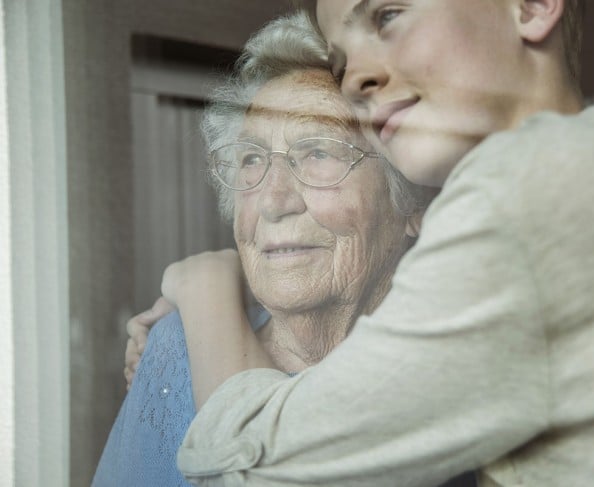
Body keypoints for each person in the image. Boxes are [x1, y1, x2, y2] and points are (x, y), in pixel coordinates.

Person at [149, 1, 594, 486]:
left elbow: (249, 471)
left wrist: (202, 287)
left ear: (530, 6)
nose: (356, 78)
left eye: (387, 15)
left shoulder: (531, 192)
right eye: (341, 58)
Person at [93, 11, 442, 486]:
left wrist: (202, 282)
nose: (273, 202)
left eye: (320, 152)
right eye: (251, 159)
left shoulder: (453, 368)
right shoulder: (179, 349)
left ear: (413, 197)